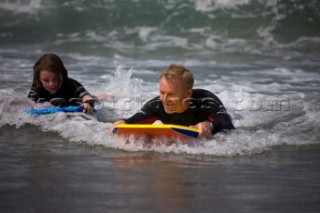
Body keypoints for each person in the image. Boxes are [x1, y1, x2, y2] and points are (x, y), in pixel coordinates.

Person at [110, 64, 234, 138]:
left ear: (188, 93)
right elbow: (133, 121)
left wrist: (210, 126)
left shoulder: (206, 100)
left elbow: (227, 125)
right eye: (162, 92)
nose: (164, 100)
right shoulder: (157, 104)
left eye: (171, 94)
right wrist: (122, 122)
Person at [28, 53, 95, 114]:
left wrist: (87, 104)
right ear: (39, 79)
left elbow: (87, 97)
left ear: (62, 74)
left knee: (96, 98)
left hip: (74, 104)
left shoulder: (71, 84)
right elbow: (28, 104)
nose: (51, 84)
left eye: (55, 79)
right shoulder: (37, 88)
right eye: (46, 80)